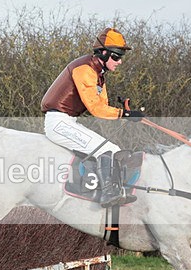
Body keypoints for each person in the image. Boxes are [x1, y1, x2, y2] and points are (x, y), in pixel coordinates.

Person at [40, 28, 144, 207]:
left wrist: (124, 113)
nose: (119, 62)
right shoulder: (85, 69)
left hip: (67, 121)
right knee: (106, 150)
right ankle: (108, 194)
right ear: (104, 53)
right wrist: (123, 114)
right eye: (116, 56)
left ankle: (115, 190)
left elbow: (102, 107)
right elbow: (96, 109)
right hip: (58, 123)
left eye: (121, 57)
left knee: (113, 148)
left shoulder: (99, 74)